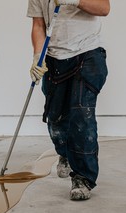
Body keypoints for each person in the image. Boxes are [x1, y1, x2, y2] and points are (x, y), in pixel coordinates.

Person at [27, 0, 110, 200]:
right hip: (55, 58)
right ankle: (65, 153)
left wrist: (74, 0)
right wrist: (38, 56)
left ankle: (83, 177)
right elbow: (38, 25)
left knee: (81, 114)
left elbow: (104, 8)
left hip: (87, 53)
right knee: (55, 119)